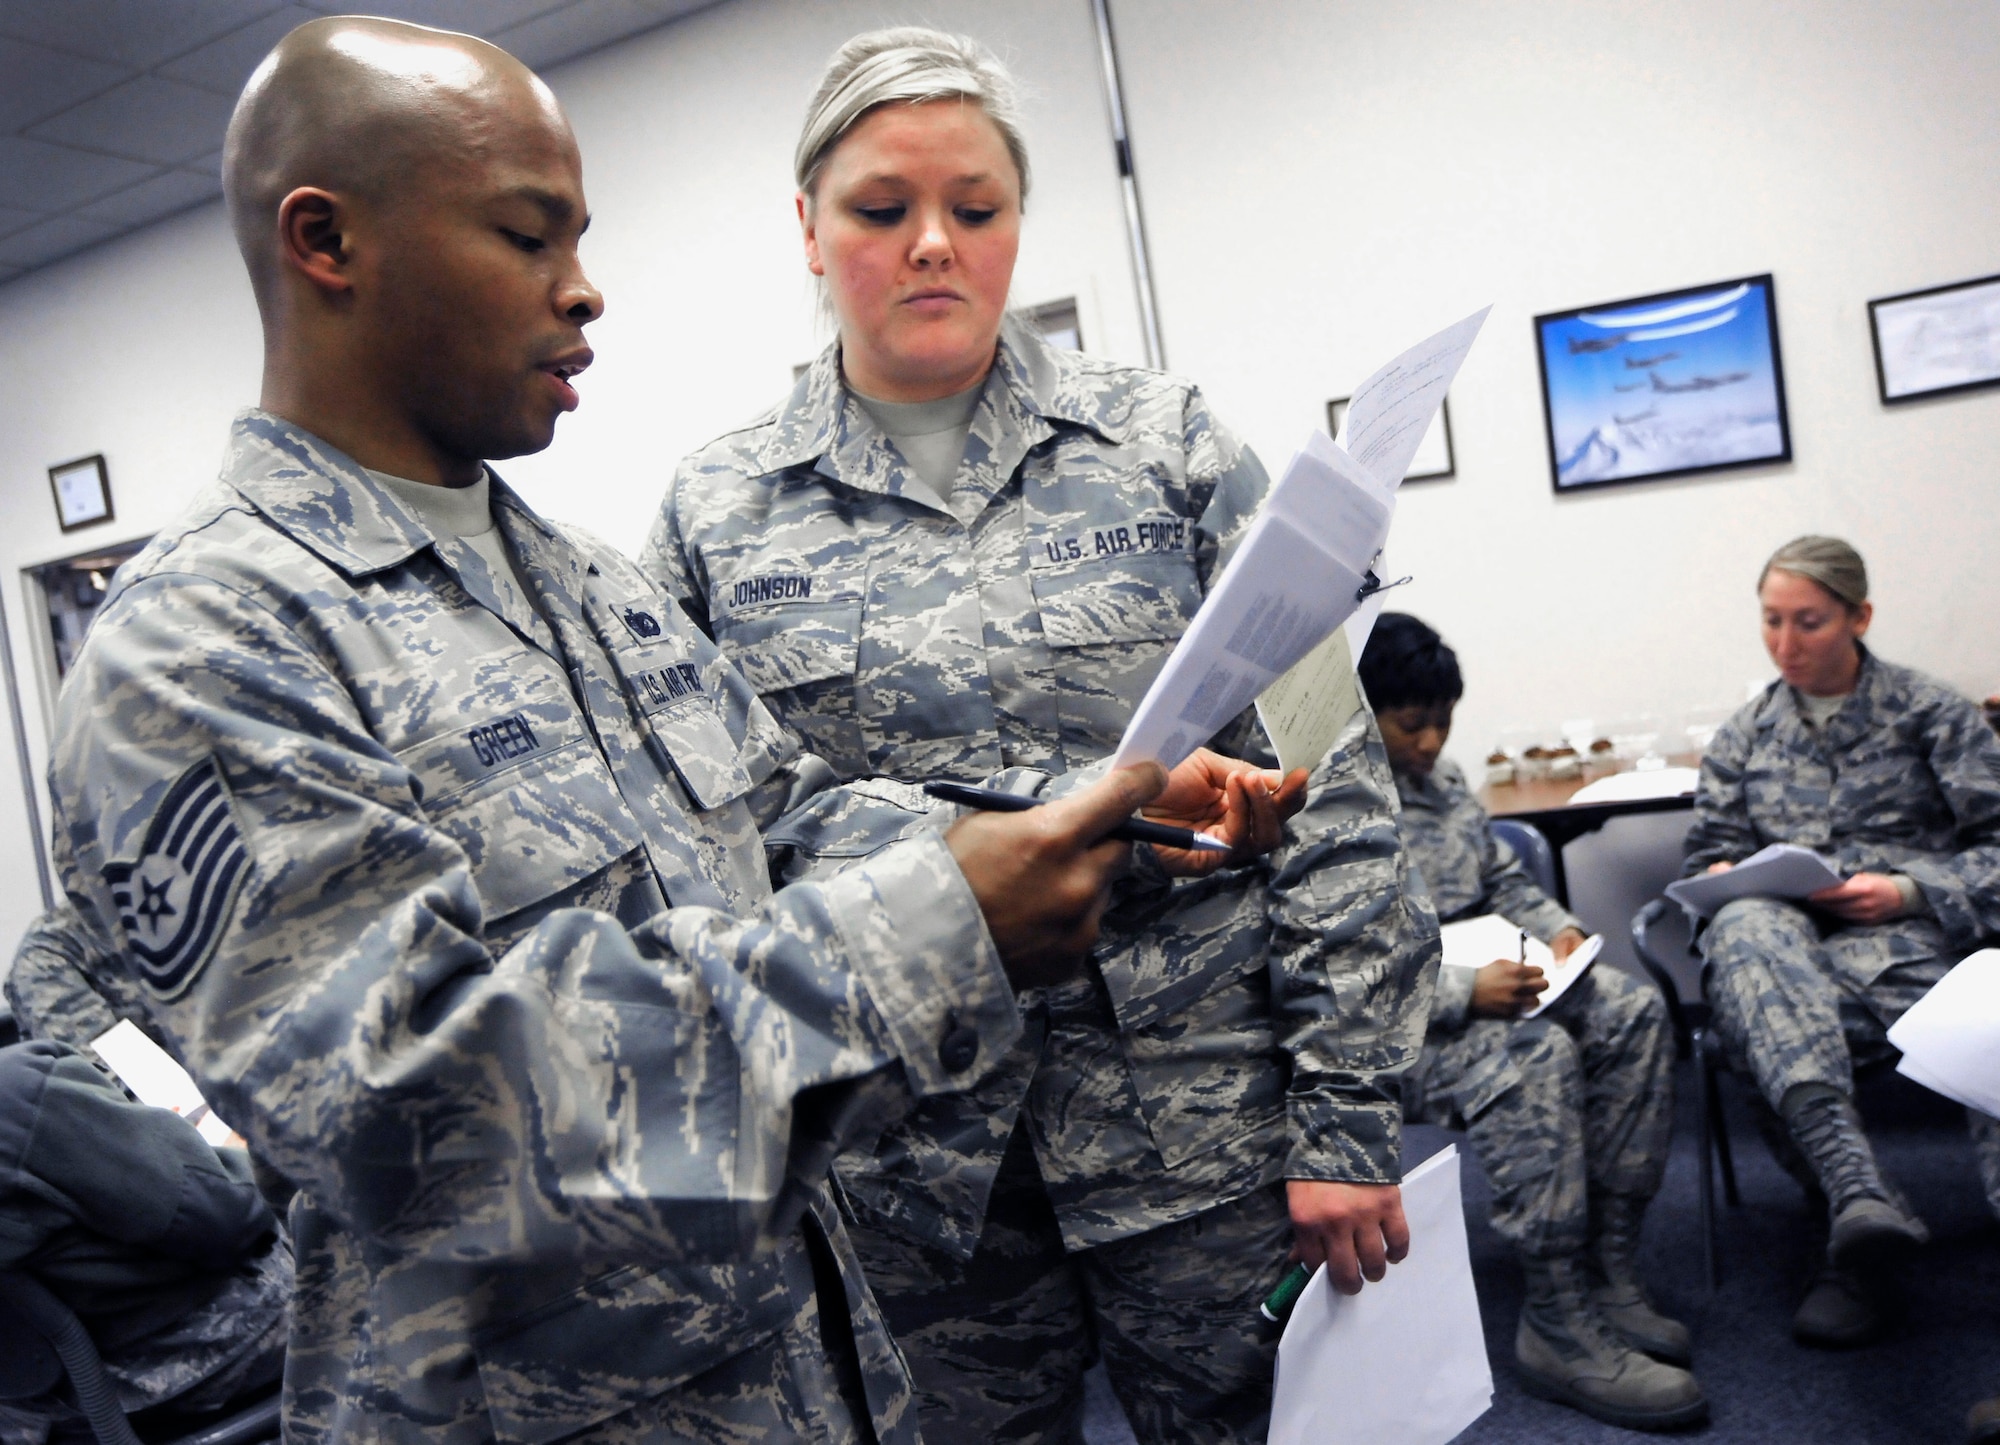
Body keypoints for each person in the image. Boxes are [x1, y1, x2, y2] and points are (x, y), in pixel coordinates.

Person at [39, 18, 1298, 1444]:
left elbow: (782, 819)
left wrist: (1084, 817)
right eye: (528, 237)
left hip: (799, 1373)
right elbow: (423, 1119)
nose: (584, 294)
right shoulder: (202, 644)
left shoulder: (575, 578)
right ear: (328, 242)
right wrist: (943, 926)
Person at [643, 28, 1437, 1442]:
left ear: (1018, 222)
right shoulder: (710, 521)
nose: (932, 245)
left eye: (977, 208)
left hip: (1207, 1145)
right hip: (916, 1170)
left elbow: (1341, 782)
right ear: (811, 232)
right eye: (882, 210)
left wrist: (1346, 1122)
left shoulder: (1173, 446)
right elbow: (711, 844)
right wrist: (1020, 825)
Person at [1356, 613, 1704, 1432]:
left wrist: (1559, 927)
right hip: (1386, 1033)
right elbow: (1335, 966)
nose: (1434, 740)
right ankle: (1555, 1318)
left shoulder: (1445, 791)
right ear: (1360, 712)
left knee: (1633, 1011)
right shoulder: (1329, 809)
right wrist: (1462, 990)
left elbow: (1503, 881)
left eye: (1444, 720)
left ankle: (1606, 1268)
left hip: (1487, 986)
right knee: (1534, 1054)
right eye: (1413, 723)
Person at [1686, 535, 2000, 1349]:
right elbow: (1705, 856)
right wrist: (1727, 873)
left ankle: (1857, 1210)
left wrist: (1908, 888)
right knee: (1746, 927)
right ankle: (1855, 1211)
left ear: (1859, 616)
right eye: (1771, 621)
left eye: (1810, 622)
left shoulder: (1931, 714)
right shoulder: (1745, 734)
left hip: (1908, 958)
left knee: (1985, 1021)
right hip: (1782, 956)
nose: (1785, 644)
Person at [0, 1040, 290, 1445]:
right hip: (210, 1358)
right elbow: (227, 1214)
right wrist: (220, 1154)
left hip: (46, 1418)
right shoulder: (17, 1094)